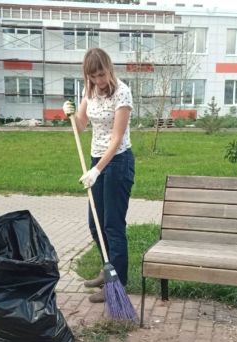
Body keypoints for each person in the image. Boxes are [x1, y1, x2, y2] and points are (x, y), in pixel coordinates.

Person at [63, 48, 135, 303]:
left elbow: (116, 139)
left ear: (109, 68)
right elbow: (81, 127)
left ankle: (118, 284)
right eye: (92, 76)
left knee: (113, 225)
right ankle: (108, 271)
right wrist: (70, 114)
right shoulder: (90, 91)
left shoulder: (122, 93)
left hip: (117, 162)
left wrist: (97, 170)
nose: (98, 81)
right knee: (96, 224)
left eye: (101, 74)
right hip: (97, 160)